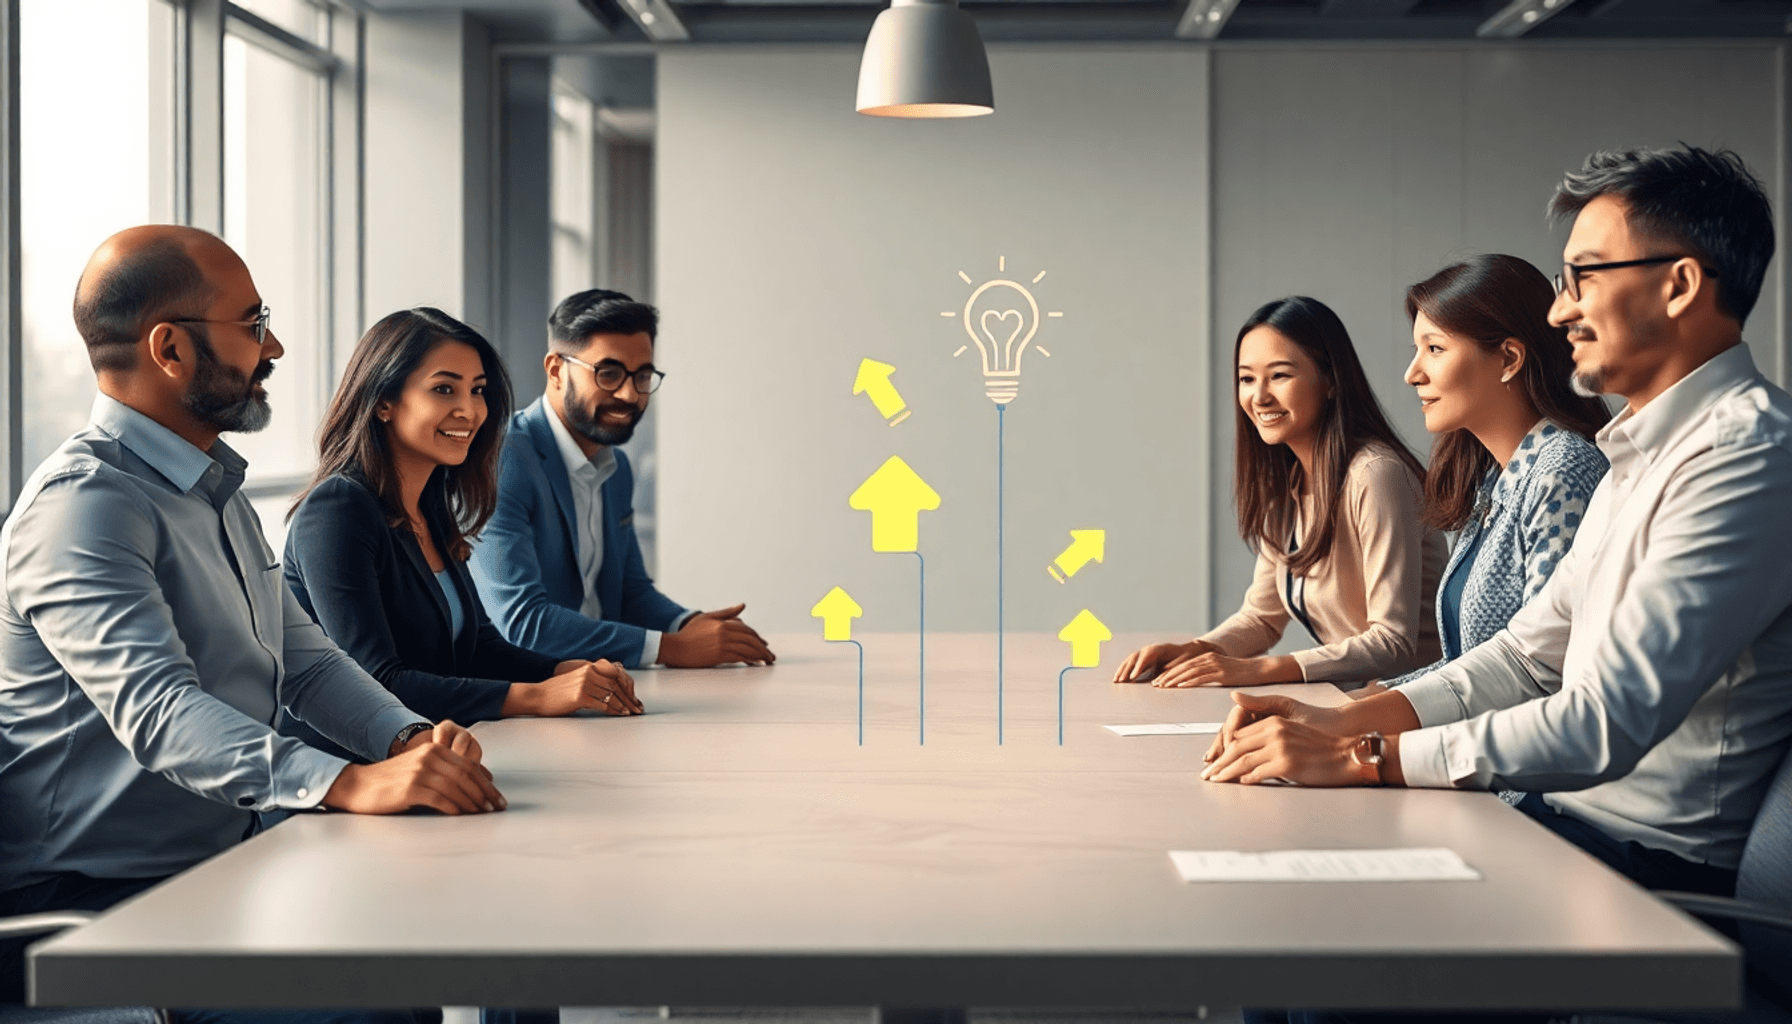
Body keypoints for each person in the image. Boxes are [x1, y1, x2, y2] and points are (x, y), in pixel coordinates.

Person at [1204, 146, 1792, 909]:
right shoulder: (1637, 454)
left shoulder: (1746, 455)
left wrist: (1367, 754)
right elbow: (1522, 657)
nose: (1560, 310)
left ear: (1678, 285)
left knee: (1317, 930)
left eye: (1584, 277)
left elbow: (1603, 721)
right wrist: (1342, 721)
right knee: (1282, 902)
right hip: (1563, 823)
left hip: (1644, 868)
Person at [0, 226, 503, 1011]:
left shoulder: (217, 491)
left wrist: (407, 739)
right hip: (103, 905)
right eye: (253, 322)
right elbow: (162, 714)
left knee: (425, 955)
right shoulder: (84, 507)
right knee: (384, 999)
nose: (275, 345)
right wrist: (344, 783)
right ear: (170, 350)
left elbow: (307, 660)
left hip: (228, 860)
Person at [281, 307, 643, 762]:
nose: (470, 409)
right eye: (443, 389)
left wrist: (562, 669)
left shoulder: (429, 506)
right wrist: (535, 696)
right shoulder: (337, 510)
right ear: (383, 402)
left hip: (435, 759)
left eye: (478, 391)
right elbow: (376, 682)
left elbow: (479, 648)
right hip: (346, 780)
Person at [1113, 296, 1447, 690]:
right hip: (1350, 700)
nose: (1259, 397)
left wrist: (1259, 671)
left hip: (1410, 708)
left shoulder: (1376, 476)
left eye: (1280, 375)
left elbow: (1393, 642)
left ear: (1331, 382)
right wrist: (1195, 650)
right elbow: (1262, 618)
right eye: (1247, 378)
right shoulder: (1290, 485)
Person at [470, 288, 774, 669]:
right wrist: (672, 648)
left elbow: (629, 594)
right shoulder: (505, 458)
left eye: (642, 375)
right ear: (555, 370)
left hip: (602, 686)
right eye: (609, 373)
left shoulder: (616, 470)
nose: (630, 394)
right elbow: (521, 623)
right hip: (523, 698)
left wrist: (690, 625)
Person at [1383, 254, 1610, 695]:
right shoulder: (1493, 479)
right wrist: (1368, 701)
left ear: (1508, 358)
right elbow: (1463, 667)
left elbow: (1545, 674)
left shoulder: (1561, 471)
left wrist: (1364, 719)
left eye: (1434, 349)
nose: (1412, 374)